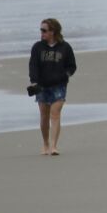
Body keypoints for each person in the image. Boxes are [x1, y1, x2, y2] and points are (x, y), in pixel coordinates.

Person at [28, 17, 76, 155]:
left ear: (53, 31)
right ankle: (45, 144)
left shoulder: (65, 47)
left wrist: (66, 75)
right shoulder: (37, 47)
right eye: (41, 30)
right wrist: (34, 80)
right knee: (44, 115)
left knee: (55, 114)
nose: (41, 33)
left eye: (44, 30)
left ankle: (54, 146)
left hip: (59, 86)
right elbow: (33, 65)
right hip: (42, 85)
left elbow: (72, 65)